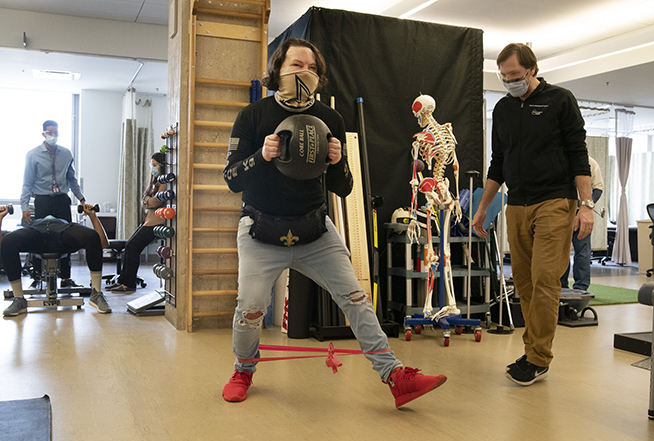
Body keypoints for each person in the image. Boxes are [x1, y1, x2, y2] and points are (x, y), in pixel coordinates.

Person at [222, 38, 446, 407]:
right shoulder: (253, 116)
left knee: (358, 299)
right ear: (277, 70)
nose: (303, 73)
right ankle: (243, 368)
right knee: (250, 307)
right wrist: (261, 156)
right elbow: (231, 179)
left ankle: (394, 376)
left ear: (319, 76)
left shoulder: (332, 120)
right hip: (261, 231)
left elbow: (344, 187)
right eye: (295, 65)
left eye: (310, 68)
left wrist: (338, 160)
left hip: (315, 232)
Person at [472, 43, 593, 386]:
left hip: (555, 199)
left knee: (544, 278)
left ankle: (539, 357)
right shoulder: (503, 109)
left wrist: (586, 205)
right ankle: (531, 352)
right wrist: (483, 209)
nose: (510, 81)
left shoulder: (560, 100)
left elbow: (577, 154)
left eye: (515, 75)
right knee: (523, 281)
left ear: (532, 69)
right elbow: (499, 162)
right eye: (504, 76)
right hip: (517, 204)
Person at [1, 203, 112, 316]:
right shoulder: (34, 225)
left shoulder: (67, 225)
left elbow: (102, 243)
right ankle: (19, 299)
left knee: (92, 236)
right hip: (37, 235)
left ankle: (96, 294)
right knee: (8, 240)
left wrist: (93, 216)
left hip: (63, 235)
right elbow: (3, 246)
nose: (49, 216)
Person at [21, 120, 86, 288]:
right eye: (50, 132)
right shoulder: (33, 155)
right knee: (38, 236)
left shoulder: (66, 153)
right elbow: (27, 183)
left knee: (66, 236)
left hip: (62, 200)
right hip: (42, 200)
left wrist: (82, 199)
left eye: (56, 132)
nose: (53, 136)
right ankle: (37, 277)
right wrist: (25, 208)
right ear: (43, 134)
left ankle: (65, 278)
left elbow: (72, 179)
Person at [109, 153, 167, 293]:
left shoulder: (165, 183)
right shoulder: (156, 182)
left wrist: (148, 201)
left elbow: (155, 202)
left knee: (133, 247)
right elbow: (145, 201)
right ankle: (122, 281)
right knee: (129, 246)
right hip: (148, 220)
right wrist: (148, 201)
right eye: (151, 165)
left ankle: (129, 284)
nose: (152, 168)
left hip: (157, 222)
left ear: (162, 166)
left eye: (155, 165)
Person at [561, 151, 604, 291]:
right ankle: (561, 285)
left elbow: (598, 188)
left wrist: (584, 206)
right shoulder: (560, 161)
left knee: (583, 250)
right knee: (561, 250)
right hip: (562, 211)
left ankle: (581, 286)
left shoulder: (591, 162)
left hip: (582, 213)